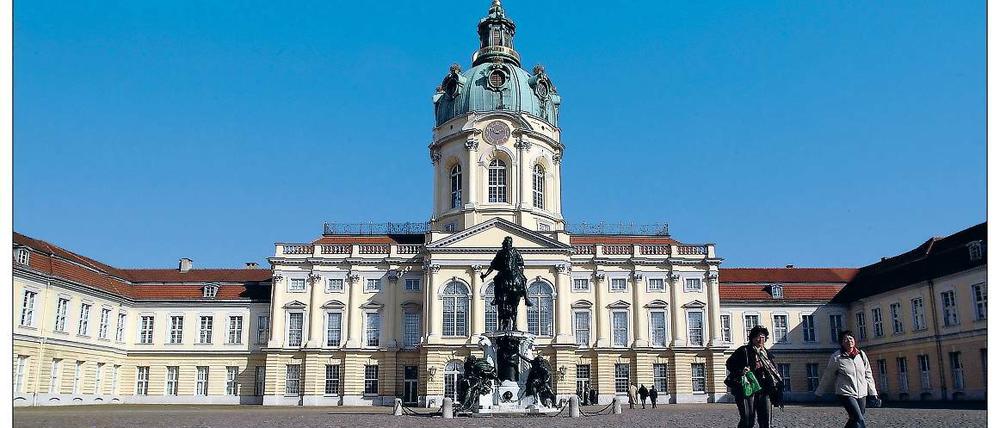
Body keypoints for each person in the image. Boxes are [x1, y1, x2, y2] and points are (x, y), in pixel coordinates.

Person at [816, 330, 879, 428]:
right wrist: (819, 392)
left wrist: (873, 392)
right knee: (859, 419)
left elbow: (868, 374)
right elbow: (828, 375)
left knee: (855, 418)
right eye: (846, 339)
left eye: (851, 338)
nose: (849, 340)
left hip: (862, 392)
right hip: (846, 392)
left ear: (854, 340)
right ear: (841, 343)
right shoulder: (837, 357)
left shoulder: (861, 355)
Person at [726, 325, 783, 428]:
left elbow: (773, 372)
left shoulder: (767, 354)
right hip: (748, 389)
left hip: (765, 390)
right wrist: (741, 370)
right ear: (752, 338)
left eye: (763, 336)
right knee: (748, 420)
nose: (760, 339)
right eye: (758, 336)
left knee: (766, 421)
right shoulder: (744, 351)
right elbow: (730, 363)